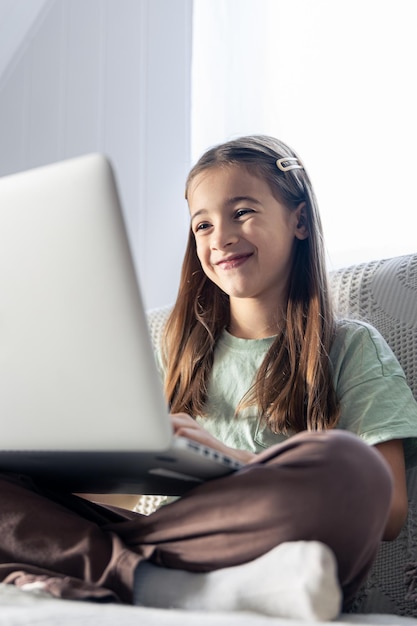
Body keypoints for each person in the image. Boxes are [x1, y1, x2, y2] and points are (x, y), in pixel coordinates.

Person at [1, 135, 417, 621]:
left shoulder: (350, 345)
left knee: (349, 465)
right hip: (166, 538)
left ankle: (84, 563)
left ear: (299, 220)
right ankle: (159, 584)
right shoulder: (176, 351)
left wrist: (236, 463)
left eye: (242, 212)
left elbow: (387, 510)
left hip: (264, 538)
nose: (219, 237)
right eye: (202, 224)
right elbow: (124, 497)